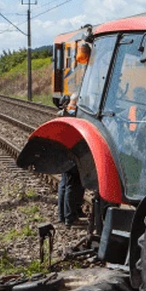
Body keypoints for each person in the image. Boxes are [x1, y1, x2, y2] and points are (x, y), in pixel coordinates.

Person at [57, 94, 84, 227]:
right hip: (71, 154)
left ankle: (63, 215)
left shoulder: (63, 113)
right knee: (72, 184)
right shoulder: (74, 115)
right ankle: (70, 217)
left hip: (63, 153)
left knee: (65, 184)